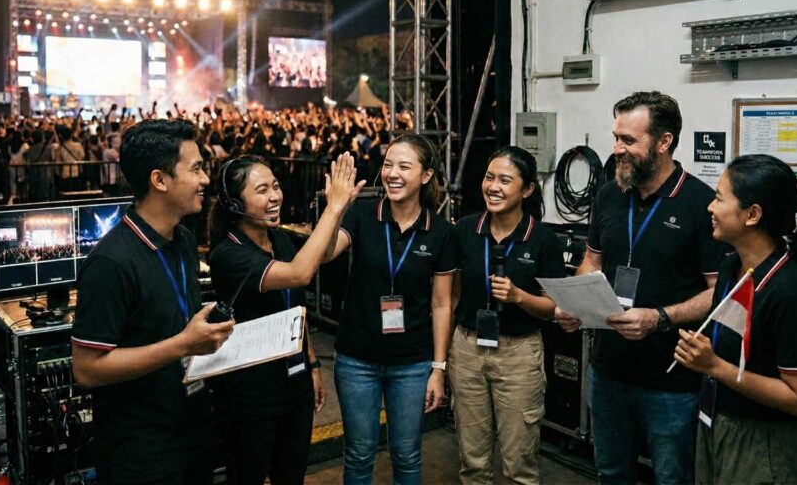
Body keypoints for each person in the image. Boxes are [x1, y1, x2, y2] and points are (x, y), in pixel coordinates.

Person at [554, 91, 730, 485]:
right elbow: (592, 261)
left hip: (670, 381)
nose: (617, 149)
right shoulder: (609, 195)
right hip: (608, 370)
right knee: (611, 472)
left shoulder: (701, 205)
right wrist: (575, 303)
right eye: (616, 137)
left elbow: (720, 293)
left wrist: (659, 317)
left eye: (629, 140)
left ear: (664, 142)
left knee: (672, 477)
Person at [71, 119, 235, 485]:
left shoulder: (184, 241)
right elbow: (86, 369)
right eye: (196, 169)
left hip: (192, 433)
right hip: (141, 452)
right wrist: (183, 344)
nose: (205, 179)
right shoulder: (111, 263)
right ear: (159, 180)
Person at [207, 151, 362, 485]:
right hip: (252, 393)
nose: (275, 196)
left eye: (275, 186)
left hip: (293, 382)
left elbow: (295, 309)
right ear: (235, 204)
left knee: (291, 476)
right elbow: (299, 274)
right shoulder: (228, 255)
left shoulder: (278, 238)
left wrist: (312, 364)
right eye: (262, 190)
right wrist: (332, 207)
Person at [674, 154, 797, 484]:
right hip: (717, 422)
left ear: (753, 215)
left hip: (766, 444)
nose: (710, 208)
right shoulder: (732, 268)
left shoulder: (791, 292)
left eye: (719, 199)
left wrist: (715, 366)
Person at [321, 133, 457, 484]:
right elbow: (325, 253)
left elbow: (442, 303)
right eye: (388, 165)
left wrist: (438, 368)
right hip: (357, 359)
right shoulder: (363, 215)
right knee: (359, 454)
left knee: (407, 455)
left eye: (404, 167)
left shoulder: (440, 232)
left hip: (412, 363)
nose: (392, 174)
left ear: (426, 175)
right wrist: (335, 208)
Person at [451, 146, 566, 484]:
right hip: (467, 349)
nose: (493, 187)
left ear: (527, 190)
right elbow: (451, 293)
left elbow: (553, 308)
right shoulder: (465, 230)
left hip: (518, 354)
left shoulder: (543, 239)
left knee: (519, 466)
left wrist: (519, 296)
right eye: (489, 178)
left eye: (504, 180)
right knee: (473, 462)